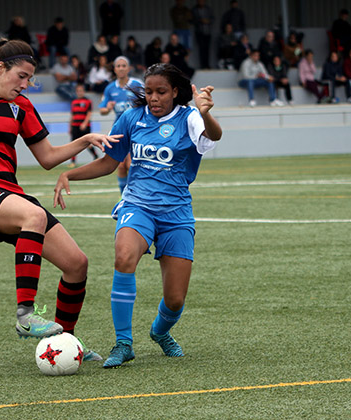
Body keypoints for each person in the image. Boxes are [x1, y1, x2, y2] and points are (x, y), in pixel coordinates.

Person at [0, 39, 119, 357]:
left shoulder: (21, 107)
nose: (26, 84)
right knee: (34, 215)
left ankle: (65, 345)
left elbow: (47, 157)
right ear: (0, 68)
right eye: (21, 76)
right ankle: (25, 316)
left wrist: (85, 139)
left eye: (30, 78)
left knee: (77, 264)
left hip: (6, 192)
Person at [53, 63, 222, 369]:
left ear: (174, 92)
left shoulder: (190, 117)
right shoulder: (130, 118)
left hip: (177, 213)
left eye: (161, 92)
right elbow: (108, 162)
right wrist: (70, 175)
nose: (154, 98)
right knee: (124, 256)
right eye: (149, 91)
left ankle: (160, 332)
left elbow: (215, 136)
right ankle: (123, 343)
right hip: (137, 205)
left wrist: (206, 112)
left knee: (175, 300)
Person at [99, 56, 144, 193]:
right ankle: (123, 197)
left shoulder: (137, 84)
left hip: (136, 130)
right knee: (120, 166)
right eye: (118, 66)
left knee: (132, 165)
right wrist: (108, 108)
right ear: (114, 69)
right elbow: (102, 110)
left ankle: (137, 194)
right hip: (119, 131)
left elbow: (147, 103)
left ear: (129, 68)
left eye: (124, 65)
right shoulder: (110, 88)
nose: (121, 68)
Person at [68, 83, 98, 167]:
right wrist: (70, 126)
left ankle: (96, 157)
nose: (79, 92)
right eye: (78, 91)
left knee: (88, 143)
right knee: (73, 143)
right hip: (75, 125)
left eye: (81, 91)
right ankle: (73, 162)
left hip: (85, 126)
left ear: (83, 92)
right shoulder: (74, 102)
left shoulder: (88, 101)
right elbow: (72, 115)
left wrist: (84, 123)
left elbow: (89, 113)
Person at [192, 0, 214, 69]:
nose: (201, 2)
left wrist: (208, 21)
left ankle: (207, 64)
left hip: (207, 32)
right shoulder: (195, 9)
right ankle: (202, 65)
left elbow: (213, 19)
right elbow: (192, 20)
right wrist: (200, 21)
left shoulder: (208, 9)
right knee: (201, 49)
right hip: (199, 32)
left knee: (207, 49)